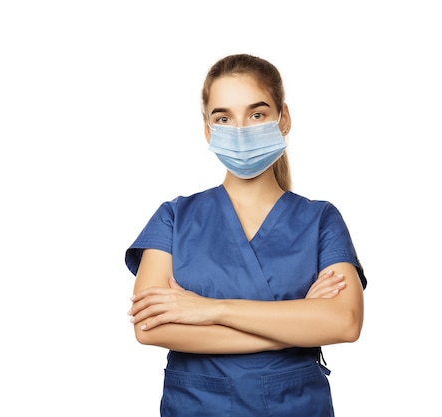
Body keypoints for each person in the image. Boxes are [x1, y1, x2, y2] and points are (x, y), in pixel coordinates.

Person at [125, 53, 367, 417]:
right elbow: (149, 327)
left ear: (283, 119)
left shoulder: (321, 219)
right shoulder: (174, 217)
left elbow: (345, 323)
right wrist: (297, 325)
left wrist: (209, 310)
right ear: (208, 130)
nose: (240, 130)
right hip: (197, 407)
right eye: (223, 118)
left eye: (257, 114)